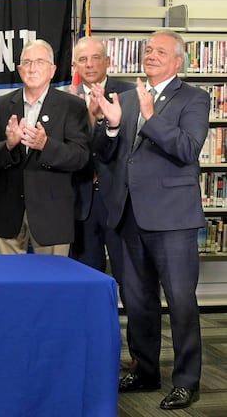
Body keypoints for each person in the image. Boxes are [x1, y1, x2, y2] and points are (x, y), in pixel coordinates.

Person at [91, 29, 208, 410]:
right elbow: (107, 156)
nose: (151, 55)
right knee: (138, 301)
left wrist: (150, 116)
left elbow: (187, 149)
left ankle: (187, 380)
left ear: (178, 61)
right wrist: (109, 126)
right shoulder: (124, 98)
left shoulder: (195, 98)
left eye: (160, 51)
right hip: (128, 215)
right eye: (148, 50)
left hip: (172, 220)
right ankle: (145, 370)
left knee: (180, 302)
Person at [0, 39, 89, 255]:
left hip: (52, 216)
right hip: (8, 215)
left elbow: (80, 157)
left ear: (52, 70)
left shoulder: (72, 106)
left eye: (39, 62)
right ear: (19, 69)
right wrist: (9, 145)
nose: (32, 68)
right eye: (27, 62)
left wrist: (46, 145)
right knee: (6, 286)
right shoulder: (0, 106)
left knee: (52, 286)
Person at [69, 36, 134, 272]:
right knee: (85, 276)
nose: (89, 64)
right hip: (82, 200)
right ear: (74, 66)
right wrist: (89, 115)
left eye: (96, 58)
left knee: (131, 279)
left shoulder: (130, 94)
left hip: (120, 199)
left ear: (107, 61)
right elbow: (69, 149)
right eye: (82, 59)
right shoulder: (65, 99)